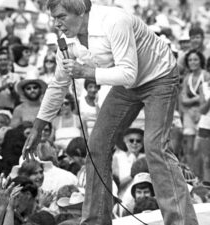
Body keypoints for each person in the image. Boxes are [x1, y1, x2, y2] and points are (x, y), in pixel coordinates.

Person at [22, 1, 198, 224]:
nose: (56, 24)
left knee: (155, 147)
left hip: (159, 76)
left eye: (61, 17)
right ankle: (96, 221)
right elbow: (58, 85)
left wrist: (86, 71)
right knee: (97, 146)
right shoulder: (66, 41)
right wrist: (38, 127)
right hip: (126, 85)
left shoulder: (115, 20)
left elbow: (128, 74)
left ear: (81, 11)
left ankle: (182, 221)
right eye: (54, 18)